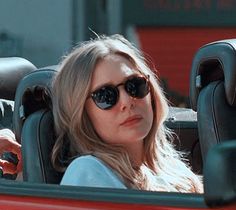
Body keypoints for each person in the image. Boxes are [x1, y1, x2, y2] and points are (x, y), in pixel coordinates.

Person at [52, 34, 203, 193]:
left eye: (134, 85)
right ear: (81, 113)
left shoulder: (174, 168)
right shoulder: (86, 172)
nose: (127, 101)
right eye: (106, 96)